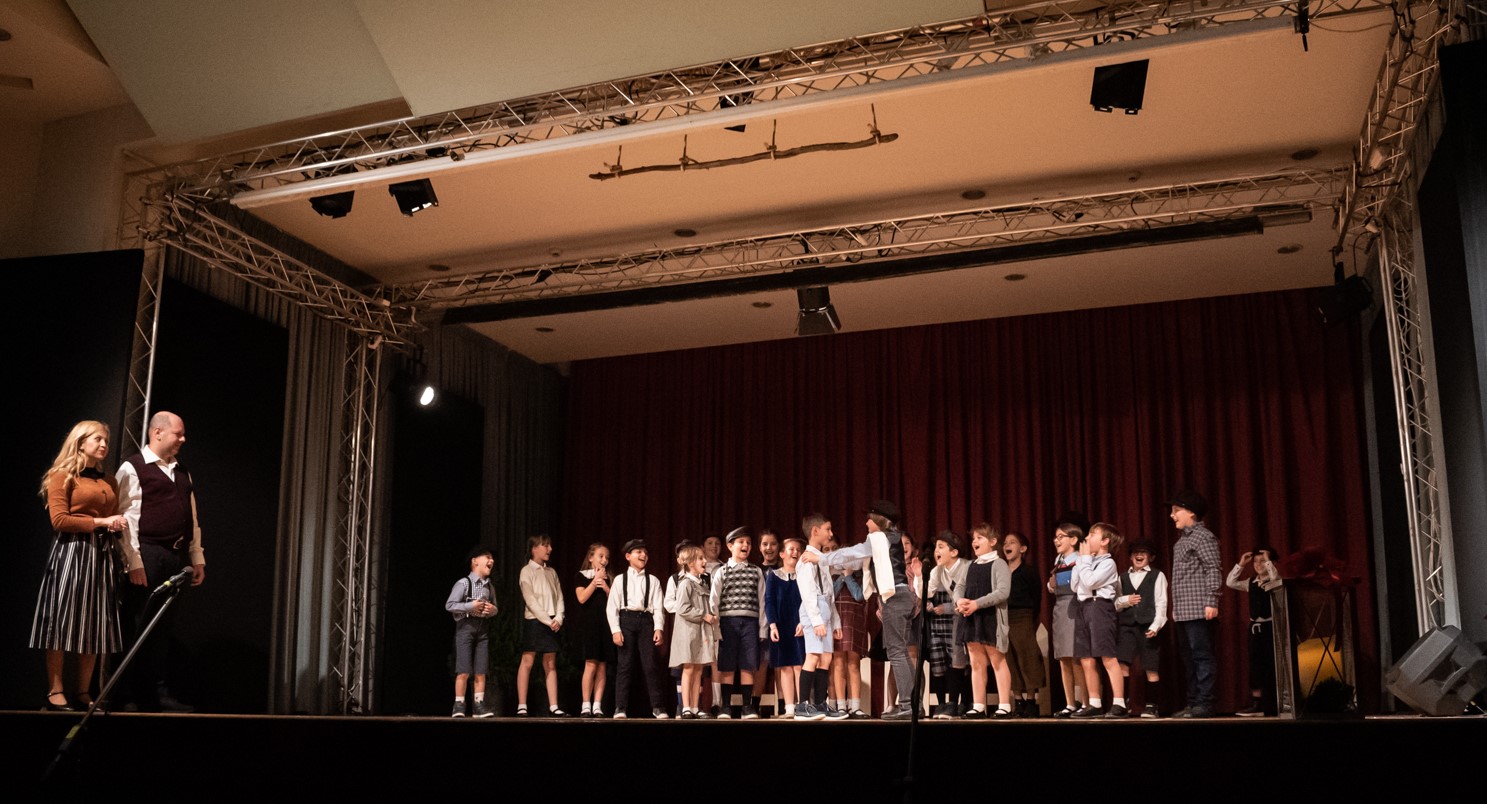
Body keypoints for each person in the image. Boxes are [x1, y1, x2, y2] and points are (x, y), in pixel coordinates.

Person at [31, 420, 129, 712]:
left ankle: (84, 691)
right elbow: (59, 520)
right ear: (80, 442)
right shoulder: (62, 476)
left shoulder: (108, 480)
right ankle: (55, 689)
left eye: (106, 440)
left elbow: (113, 515)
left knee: (95, 622)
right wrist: (100, 521)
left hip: (101, 555)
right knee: (61, 620)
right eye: (97, 439)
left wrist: (115, 524)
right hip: (72, 552)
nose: (104, 445)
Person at [116, 410, 203, 713]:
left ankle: (154, 693)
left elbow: (192, 518)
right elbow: (127, 518)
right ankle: (124, 694)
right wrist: (134, 561)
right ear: (157, 433)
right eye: (178, 433)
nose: (183, 439)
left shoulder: (182, 472)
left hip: (173, 556)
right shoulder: (133, 468)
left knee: (162, 628)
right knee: (137, 624)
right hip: (147, 553)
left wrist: (196, 555)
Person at [804, 499, 916, 719]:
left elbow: (852, 553)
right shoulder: (890, 539)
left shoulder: (879, 538)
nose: (865, 523)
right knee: (901, 651)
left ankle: (907, 705)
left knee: (896, 652)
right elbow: (854, 562)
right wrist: (828, 563)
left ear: (878, 520)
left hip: (895, 598)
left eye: (869, 519)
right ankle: (913, 703)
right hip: (902, 596)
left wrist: (821, 558)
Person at [1168, 489, 1222, 718]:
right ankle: (1192, 702)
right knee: (1188, 659)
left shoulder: (1203, 537)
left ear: (1190, 512)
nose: (1172, 515)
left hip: (1199, 609)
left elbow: (1213, 568)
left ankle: (1205, 702)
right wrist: (1176, 608)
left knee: (1201, 656)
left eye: (1176, 510)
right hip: (1183, 611)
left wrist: (1212, 600)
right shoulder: (1181, 542)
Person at [955, 523, 1013, 718]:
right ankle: (979, 705)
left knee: (997, 660)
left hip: (990, 618)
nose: (975, 541)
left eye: (980, 538)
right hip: (971, 617)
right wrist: (959, 601)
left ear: (993, 541)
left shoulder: (999, 564)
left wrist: (976, 604)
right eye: (974, 538)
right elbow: (959, 587)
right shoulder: (970, 565)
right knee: (976, 662)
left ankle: (1004, 705)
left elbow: (1003, 592)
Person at [1070, 522, 1127, 718]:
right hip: (1083, 607)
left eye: (1092, 535)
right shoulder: (1085, 560)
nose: (1087, 538)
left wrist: (1085, 560)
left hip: (1100, 607)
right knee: (1086, 658)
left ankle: (1119, 703)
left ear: (1104, 541)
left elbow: (1090, 582)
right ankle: (1095, 702)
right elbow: (1075, 585)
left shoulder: (1108, 563)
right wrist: (1081, 560)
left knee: (1107, 655)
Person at [606, 539, 668, 719]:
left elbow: (658, 607)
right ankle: (620, 707)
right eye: (638, 552)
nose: (643, 555)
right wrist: (615, 630)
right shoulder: (620, 580)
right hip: (626, 620)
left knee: (650, 665)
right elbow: (612, 607)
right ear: (628, 556)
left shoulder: (653, 580)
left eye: (645, 553)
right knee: (624, 665)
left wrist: (659, 628)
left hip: (646, 621)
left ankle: (658, 707)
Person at [710, 526, 767, 719]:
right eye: (741, 542)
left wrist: (762, 629)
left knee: (748, 664)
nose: (745, 545)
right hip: (728, 622)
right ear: (730, 546)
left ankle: (747, 707)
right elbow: (714, 600)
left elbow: (762, 601)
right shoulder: (722, 571)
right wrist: (715, 628)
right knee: (727, 665)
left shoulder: (756, 571)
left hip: (750, 623)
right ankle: (725, 706)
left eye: (748, 543)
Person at [795, 513, 844, 720]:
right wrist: (815, 620)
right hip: (813, 609)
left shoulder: (820, 559)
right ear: (815, 531)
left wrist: (835, 621)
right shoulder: (806, 559)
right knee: (813, 656)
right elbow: (808, 593)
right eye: (827, 529)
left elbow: (829, 593)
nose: (830, 534)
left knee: (826, 658)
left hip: (825, 608)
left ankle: (820, 704)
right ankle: (802, 705)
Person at [1226, 545, 1282, 716]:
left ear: (1271, 562)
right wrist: (1241, 564)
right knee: (1255, 664)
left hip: (1270, 627)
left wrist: (1269, 561)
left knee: (1271, 664)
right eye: (1256, 561)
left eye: (1263, 561)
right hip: (1254, 629)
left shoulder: (1275, 580)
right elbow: (1230, 582)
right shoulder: (1251, 582)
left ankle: (1273, 702)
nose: (1258, 564)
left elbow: (1275, 579)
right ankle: (1257, 703)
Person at [1115, 541, 1169, 718]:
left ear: (1150, 557)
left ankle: (1152, 705)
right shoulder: (1122, 577)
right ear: (1130, 556)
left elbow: (1161, 603)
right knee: (1122, 664)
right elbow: (1115, 603)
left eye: (1144, 552)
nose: (1139, 555)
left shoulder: (1157, 575)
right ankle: (1123, 704)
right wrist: (1126, 600)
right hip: (1127, 625)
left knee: (1150, 665)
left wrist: (1155, 626)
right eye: (1136, 552)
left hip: (1147, 625)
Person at [517, 534, 566, 717]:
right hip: (535, 621)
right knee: (527, 661)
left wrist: (558, 618)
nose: (549, 549)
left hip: (553, 621)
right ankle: (522, 705)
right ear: (534, 549)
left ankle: (553, 706)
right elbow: (530, 600)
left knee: (550, 663)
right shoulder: (526, 571)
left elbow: (559, 597)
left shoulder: (551, 572)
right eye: (545, 545)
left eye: (549, 545)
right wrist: (547, 619)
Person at [446, 545, 497, 717]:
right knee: (464, 669)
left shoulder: (489, 586)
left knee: (481, 669)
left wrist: (492, 610)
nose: (491, 560)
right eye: (487, 557)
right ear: (475, 561)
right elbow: (450, 605)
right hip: (465, 628)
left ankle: (479, 705)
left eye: (492, 558)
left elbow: (495, 608)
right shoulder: (463, 583)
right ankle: (459, 705)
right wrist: (470, 606)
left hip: (482, 629)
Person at [670, 544, 718, 718]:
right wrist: (704, 615)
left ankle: (696, 707)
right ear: (690, 563)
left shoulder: (701, 583)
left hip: (700, 632)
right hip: (688, 632)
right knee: (689, 668)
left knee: (698, 669)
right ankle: (686, 707)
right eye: (700, 558)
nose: (705, 561)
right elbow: (683, 608)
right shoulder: (685, 584)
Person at [1001, 530, 1045, 717]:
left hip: (1023, 615)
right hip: (1004, 616)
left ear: (1023, 549)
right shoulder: (1001, 571)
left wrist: (1031, 618)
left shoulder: (1028, 572)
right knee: (1009, 658)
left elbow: (1037, 596)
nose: (1007, 545)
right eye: (1005, 543)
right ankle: (1018, 700)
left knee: (1027, 656)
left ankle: (1031, 700)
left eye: (1012, 542)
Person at [926, 530, 969, 718]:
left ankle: (968, 703)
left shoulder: (966, 567)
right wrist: (920, 575)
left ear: (954, 552)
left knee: (970, 663)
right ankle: (951, 704)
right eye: (936, 547)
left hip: (971, 616)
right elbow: (927, 592)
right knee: (956, 661)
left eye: (941, 547)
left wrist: (950, 607)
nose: (936, 551)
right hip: (959, 618)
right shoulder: (938, 570)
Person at [1047, 519, 1086, 717]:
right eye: (1055, 537)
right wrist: (1051, 585)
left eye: (1060, 537)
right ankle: (1070, 703)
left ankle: (1086, 702)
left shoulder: (1080, 559)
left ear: (1074, 539)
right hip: (1060, 608)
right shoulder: (1059, 560)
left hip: (1075, 606)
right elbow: (1052, 586)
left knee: (1076, 656)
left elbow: (1082, 583)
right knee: (1063, 657)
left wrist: (1061, 583)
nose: (1056, 540)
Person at [765, 536, 805, 717]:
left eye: (798, 549)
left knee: (800, 665)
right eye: (791, 549)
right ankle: (789, 707)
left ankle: (802, 706)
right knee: (785, 666)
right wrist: (773, 625)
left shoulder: (804, 575)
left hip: (800, 624)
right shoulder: (773, 576)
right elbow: (769, 601)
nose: (795, 552)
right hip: (781, 625)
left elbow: (808, 600)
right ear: (782, 554)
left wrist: (804, 622)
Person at [575, 542, 614, 717]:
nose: (604, 560)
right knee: (590, 664)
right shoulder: (581, 576)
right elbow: (582, 598)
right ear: (591, 558)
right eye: (601, 556)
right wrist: (594, 581)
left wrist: (606, 587)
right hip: (589, 626)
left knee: (602, 666)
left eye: (606, 557)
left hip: (605, 625)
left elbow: (615, 602)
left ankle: (597, 704)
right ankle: (586, 704)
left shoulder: (610, 579)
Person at [752, 528, 781, 712]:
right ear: (759, 547)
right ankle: (754, 705)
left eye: (773, 544)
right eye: (765, 544)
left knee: (781, 664)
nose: (769, 548)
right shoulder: (755, 570)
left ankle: (785, 706)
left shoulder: (784, 569)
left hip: (782, 621)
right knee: (761, 663)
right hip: (760, 623)